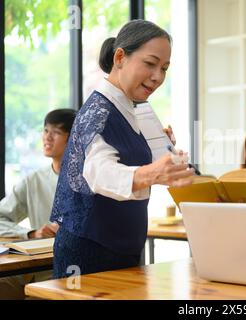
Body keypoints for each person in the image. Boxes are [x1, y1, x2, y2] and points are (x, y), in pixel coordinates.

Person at [50, 20, 194, 279]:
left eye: (164, 68)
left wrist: (167, 161)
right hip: (90, 253)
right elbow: (99, 174)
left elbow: (153, 162)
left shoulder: (136, 110)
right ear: (120, 57)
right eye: (150, 64)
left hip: (124, 247)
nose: (157, 77)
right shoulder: (99, 111)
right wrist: (151, 173)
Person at [0, 108, 76, 299]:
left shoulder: (88, 180)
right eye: (45, 130)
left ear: (74, 138)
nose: (47, 138)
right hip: (31, 269)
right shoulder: (33, 180)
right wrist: (31, 233)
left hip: (71, 271)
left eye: (56, 132)